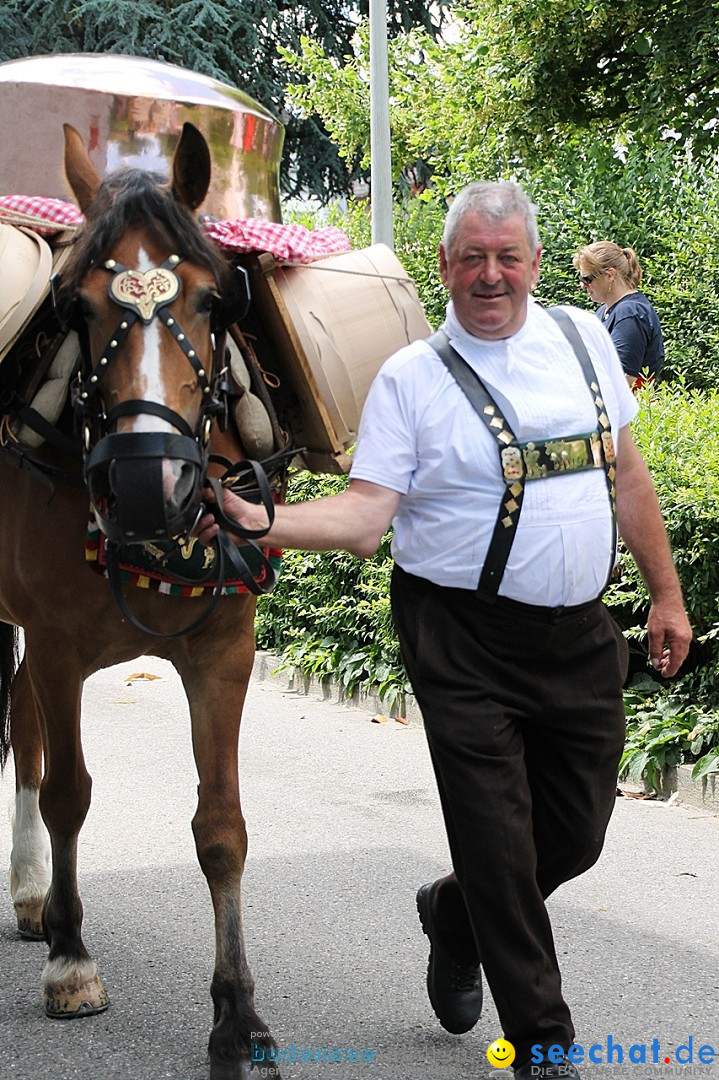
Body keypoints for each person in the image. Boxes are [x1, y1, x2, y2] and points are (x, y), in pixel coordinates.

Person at [197, 182, 691, 1079]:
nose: (490, 274)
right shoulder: (411, 378)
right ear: (445, 267)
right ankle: (543, 1045)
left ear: (536, 265)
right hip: (458, 638)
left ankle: (453, 914)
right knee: (498, 840)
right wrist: (248, 517)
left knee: (573, 837)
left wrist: (666, 595)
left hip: (580, 635)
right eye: (472, 258)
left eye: (507, 257)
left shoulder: (585, 342)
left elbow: (627, 479)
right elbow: (361, 517)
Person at [573, 242, 664, 389]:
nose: (583, 285)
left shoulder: (630, 314)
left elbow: (623, 379)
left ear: (610, 275)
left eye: (587, 279)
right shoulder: (604, 311)